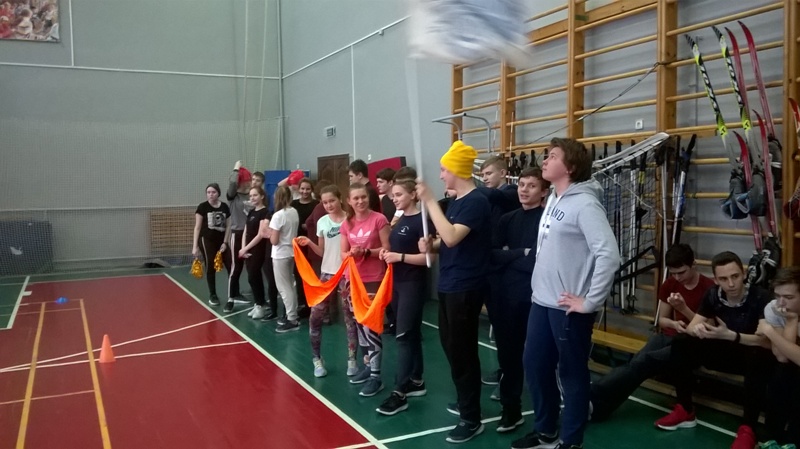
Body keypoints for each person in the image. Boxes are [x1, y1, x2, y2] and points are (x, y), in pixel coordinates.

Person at [513, 138, 620, 449]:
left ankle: (571, 440)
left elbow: (609, 255)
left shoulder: (585, 205)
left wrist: (590, 301)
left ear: (570, 167)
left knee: (571, 375)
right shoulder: (554, 199)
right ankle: (545, 430)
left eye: (552, 156)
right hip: (542, 301)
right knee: (535, 364)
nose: (545, 161)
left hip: (568, 308)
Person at [654, 251, 773, 449]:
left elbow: (766, 341)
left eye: (735, 276)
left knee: (758, 357)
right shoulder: (713, 294)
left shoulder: (761, 296)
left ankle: (748, 429)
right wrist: (699, 330)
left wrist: (732, 336)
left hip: (751, 354)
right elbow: (693, 326)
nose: (731, 284)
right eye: (724, 279)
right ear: (716, 280)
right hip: (724, 349)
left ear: (743, 274)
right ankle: (685, 409)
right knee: (682, 342)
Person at [417, 140, 491, 444]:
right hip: (449, 284)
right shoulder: (459, 201)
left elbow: (451, 236)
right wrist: (430, 245)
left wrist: (429, 201)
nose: (441, 175)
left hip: (466, 286)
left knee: (462, 352)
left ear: (457, 171)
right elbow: (448, 241)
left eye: (444, 170)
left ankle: (471, 418)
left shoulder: (476, 201)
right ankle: (465, 400)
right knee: (451, 347)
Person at [590, 244, 716, 422]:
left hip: (691, 342)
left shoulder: (709, 288)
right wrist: (674, 323)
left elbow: (709, 326)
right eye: (673, 273)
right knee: (636, 363)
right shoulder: (670, 284)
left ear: (693, 265)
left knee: (644, 363)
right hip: (669, 334)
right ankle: (597, 405)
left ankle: (594, 397)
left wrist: (683, 309)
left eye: (682, 272)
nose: (678, 277)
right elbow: (662, 320)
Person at [487, 167, 548, 433]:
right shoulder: (507, 219)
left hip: (536, 301)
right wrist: (520, 253)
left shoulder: (547, 220)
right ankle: (510, 411)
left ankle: (546, 418)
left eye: (531, 186)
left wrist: (510, 256)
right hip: (506, 299)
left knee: (538, 360)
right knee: (508, 358)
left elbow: (539, 261)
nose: (524, 190)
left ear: (544, 192)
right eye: (522, 184)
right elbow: (492, 255)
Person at [376, 179, 433, 416]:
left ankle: (399, 393)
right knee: (411, 333)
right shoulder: (400, 220)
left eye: (399, 194)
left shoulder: (422, 221)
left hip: (413, 284)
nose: (394, 198)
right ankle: (416, 380)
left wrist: (398, 257)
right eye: (393, 195)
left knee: (403, 336)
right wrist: (386, 253)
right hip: (398, 284)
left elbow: (428, 259)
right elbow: (397, 249)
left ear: (412, 194)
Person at [296, 185, 359, 378]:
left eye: (332, 200)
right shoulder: (322, 222)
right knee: (315, 317)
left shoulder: (351, 219)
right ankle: (317, 359)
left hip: (346, 275)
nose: (329, 205)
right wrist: (309, 243)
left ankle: (352, 360)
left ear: (340, 199)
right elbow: (322, 252)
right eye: (325, 202)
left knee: (350, 318)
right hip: (326, 275)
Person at [341, 183, 391, 397]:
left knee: (371, 326)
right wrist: (351, 253)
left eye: (363, 197)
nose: (360, 201)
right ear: (349, 201)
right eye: (356, 198)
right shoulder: (347, 223)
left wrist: (366, 252)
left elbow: (388, 248)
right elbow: (343, 253)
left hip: (373, 279)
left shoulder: (379, 219)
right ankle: (368, 367)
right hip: (353, 280)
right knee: (360, 325)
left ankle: (376, 377)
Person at [478, 155, 521, 390]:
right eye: (482, 175)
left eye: (489, 174)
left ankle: (510, 372)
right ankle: (506, 369)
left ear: (503, 173)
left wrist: (464, 182)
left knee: (507, 327)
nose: (484, 178)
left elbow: (494, 196)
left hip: (505, 271)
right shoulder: (491, 197)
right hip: (490, 265)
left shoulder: (511, 192)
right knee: (499, 324)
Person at [758, 266, 800, 448]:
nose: (781, 303)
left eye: (789, 297)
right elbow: (782, 357)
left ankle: (794, 441)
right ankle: (773, 437)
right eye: (777, 296)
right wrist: (791, 320)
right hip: (790, 361)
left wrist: (768, 331)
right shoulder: (773, 308)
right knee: (780, 374)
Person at [263, 186, 301, 332]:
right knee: (290, 285)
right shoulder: (294, 211)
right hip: (291, 252)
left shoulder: (278, 216)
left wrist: (269, 233)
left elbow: (274, 240)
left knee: (284, 288)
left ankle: (292, 319)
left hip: (280, 254)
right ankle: (293, 314)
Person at [193, 183, 232, 306]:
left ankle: (233, 293)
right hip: (207, 239)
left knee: (230, 264)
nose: (211, 194)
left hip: (221, 239)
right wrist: (195, 246)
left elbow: (228, 226)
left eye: (213, 192)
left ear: (218, 193)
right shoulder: (202, 207)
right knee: (210, 264)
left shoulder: (224, 207)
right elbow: (197, 227)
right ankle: (213, 294)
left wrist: (225, 242)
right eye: (208, 192)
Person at [237, 187, 273, 319]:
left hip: (258, 248)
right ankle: (258, 303)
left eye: (255, 195)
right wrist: (243, 248)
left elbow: (260, 235)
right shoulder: (251, 212)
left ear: (262, 196)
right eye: (251, 196)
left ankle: (261, 305)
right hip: (248, 249)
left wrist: (246, 248)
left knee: (254, 276)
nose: (252, 198)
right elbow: (245, 231)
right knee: (252, 277)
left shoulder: (265, 212)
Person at [291, 177, 319, 317]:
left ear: (311, 190)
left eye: (308, 189)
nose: (305, 191)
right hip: (298, 245)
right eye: (302, 188)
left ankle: (312, 303)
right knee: (298, 274)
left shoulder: (316, 204)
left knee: (311, 274)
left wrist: (308, 226)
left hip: (311, 244)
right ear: (298, 189)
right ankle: (301, 303)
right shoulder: (293, 204)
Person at [226, 161, 253, 309]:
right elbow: (232, 184)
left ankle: (257, 297)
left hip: (251, 234)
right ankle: (231, 298)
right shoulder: (233, 196)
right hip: (237, 233)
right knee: (236, 267)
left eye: (249, 180)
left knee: (252, 268)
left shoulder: (251, 195)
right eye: (245, 180)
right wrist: (236, 169)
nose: (248, 183)